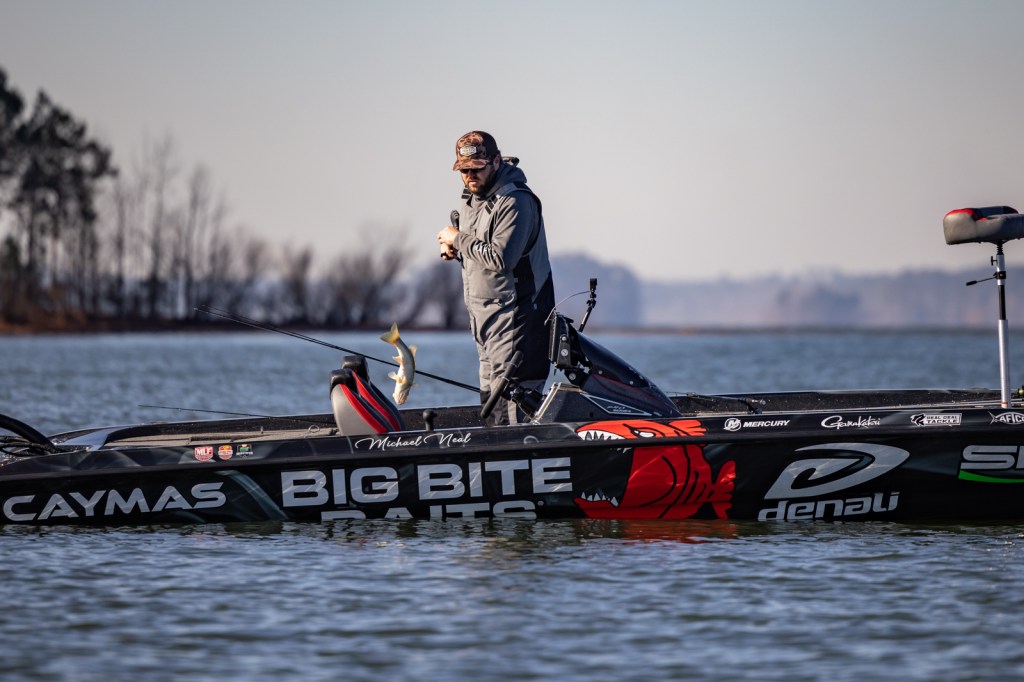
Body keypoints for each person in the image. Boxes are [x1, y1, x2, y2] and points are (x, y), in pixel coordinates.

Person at [436, 131, 555, 425]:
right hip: (484, 323)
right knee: (492, 409)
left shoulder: (515, 201)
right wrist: (456, 250)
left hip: (517, 321)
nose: (470, 176)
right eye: (464, 170)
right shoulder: (472, 198)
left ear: (497, 161)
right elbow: (479, 254)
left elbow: (501, 259)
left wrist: (457, 238)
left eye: (477, 168)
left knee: (512, 413)